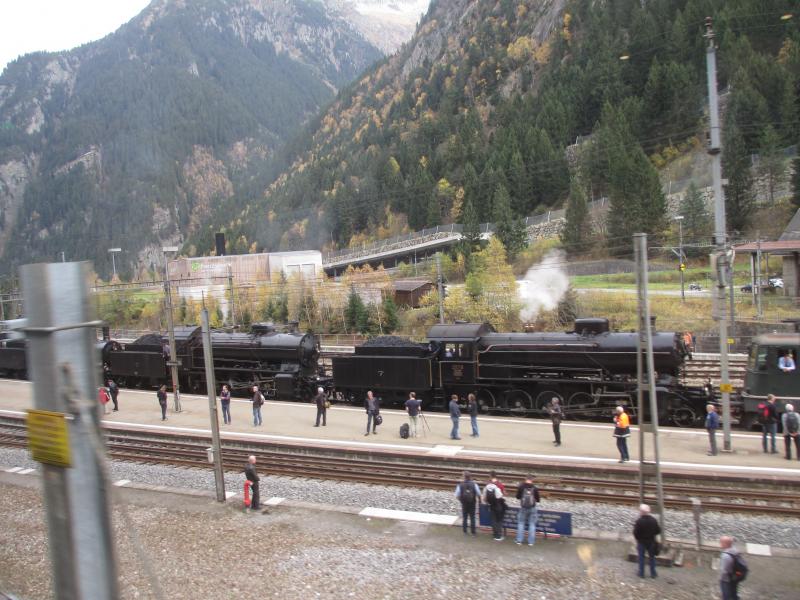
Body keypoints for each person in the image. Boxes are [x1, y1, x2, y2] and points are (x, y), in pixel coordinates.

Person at [633, 503, 661, 578]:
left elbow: (635, 533)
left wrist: (638, 539)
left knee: (641, 558)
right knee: (652, 558)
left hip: (642, 542)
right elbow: (658, 531)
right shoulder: (653, 520)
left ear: (641, 512)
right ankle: (653, 573)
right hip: (651, 542)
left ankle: (641, 573)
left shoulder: (639, 521)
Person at [514, 474, 540, 546]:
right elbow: (538, 500)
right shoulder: (534, 488)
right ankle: (530, 542)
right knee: (532, 524)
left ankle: (519, 541)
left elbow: (517, 497)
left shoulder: (521, 486)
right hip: (532, 508)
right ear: (532, 480)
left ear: (525, 479)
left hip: (523, 508)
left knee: (521, 523)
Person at [455, 471, 480, 536]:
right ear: (470, 477)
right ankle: (473, 532)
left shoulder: (460, 485)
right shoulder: (474, 484)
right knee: (472, 517)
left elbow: (457, 495)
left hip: (464, 504)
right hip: (472, 503)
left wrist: (461, 500)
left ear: (464, 477)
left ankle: (465, 531)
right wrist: (479, 501)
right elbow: (479, 494)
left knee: (465, 517)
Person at [719, 536, 743, 600]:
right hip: (736, 575)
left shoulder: (726, 556)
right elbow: (732, 542)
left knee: (726, 595)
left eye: (721, 542)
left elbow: (725, 571)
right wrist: (731, 540)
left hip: (727, 579)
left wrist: (721, 578)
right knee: (734, 592)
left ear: (725, 544)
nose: (720, 544)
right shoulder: (734, 550)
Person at [483, 473, 505, 541]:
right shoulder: (500, 485)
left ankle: (494, 534)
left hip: (491, 505)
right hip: (499, 505)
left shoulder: (487, 486)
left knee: (493, 520)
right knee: (499, 520)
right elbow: (501, 495)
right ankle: (498, 536)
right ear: (496, 477)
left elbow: (484, 497)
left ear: (490, 477)